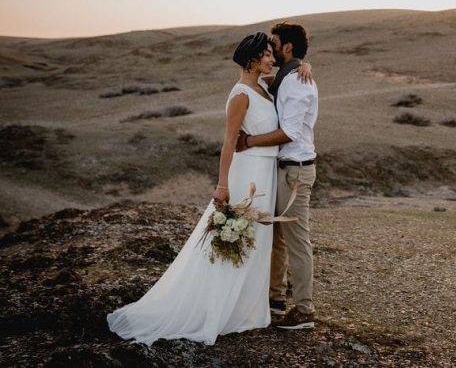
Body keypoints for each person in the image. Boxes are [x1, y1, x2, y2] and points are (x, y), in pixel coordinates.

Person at [107, 32, 307, 345]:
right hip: (248, 172)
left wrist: (305, 66)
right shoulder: (241, 94)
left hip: (265, 171)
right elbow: (229, 141)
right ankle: (218, 309)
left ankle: (247, 310)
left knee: (257, 241)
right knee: (239, 239)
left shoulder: (265, 87)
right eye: (267, 55)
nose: (272, 59)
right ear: (253, 60)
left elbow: (290, 78)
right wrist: (222, 184)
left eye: (273, 53)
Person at [236, 22, 318, 331]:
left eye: (274, 43)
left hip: (294, 172)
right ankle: (274, 298)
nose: (269, 48)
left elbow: (290, 132)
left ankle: (305, 310)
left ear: (287, 48)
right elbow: (258, 76)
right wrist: (303, 63)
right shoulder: (288, 76)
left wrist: (251, 141)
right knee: (276, 237)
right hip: (282, 170)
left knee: (297, 240)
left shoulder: (297, 82)